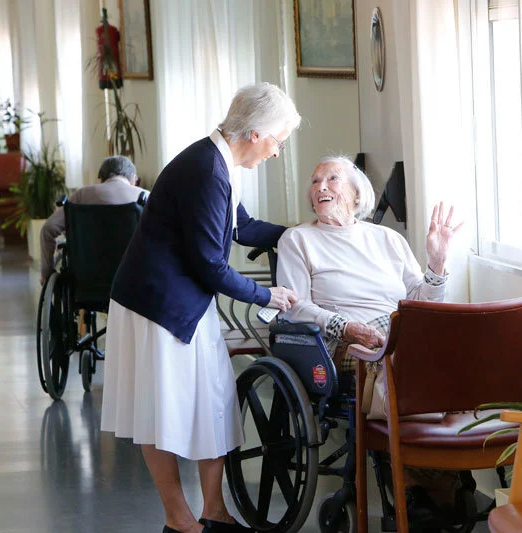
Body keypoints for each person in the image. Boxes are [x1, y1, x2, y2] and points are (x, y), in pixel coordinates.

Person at [101, 83, 300, 533]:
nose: (276, 152)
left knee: (214, 401)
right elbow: (210, 266)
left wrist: (300, 233)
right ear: (255, 133)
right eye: (278, 141)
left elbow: (242, 226)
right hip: (157, 304)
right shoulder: (208, 169)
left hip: (181, 296)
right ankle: (180, 520)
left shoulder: (218, 162)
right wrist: (267, 295)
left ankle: (214, 511)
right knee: (160, 410)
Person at [276, 155, 464, 521]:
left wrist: (437, 264)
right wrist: (344, 326)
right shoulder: (298, 239)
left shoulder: (387, 239)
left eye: (332, 179)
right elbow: (294, 307)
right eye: (315, 182)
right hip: (341, 340)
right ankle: (417, 484)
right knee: (398, 364)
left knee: (445, 352)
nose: (321, 187)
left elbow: (422, 303)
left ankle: (436, 477)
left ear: (356, 192)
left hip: (398, 332)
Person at [38, 155, 148, 283]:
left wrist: (47, 273)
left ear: (101, 178)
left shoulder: (82, 196)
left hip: (86, 277)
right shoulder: (145, 196)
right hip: (133, 276)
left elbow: (48, 229)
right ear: (133, 179)